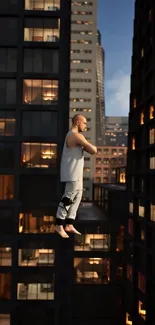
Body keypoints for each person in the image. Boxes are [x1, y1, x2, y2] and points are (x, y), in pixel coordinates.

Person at [55, 114, 97, 238]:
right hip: (72, 173)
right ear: (78, 122)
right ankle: (58, 225)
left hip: (77, 173)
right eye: (84, 123)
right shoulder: (74, 136)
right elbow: (93, 150)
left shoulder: (76, 136)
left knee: (77, 197)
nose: (86, 126)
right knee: (68, 198)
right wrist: (89, 145)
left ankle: (69, 224)